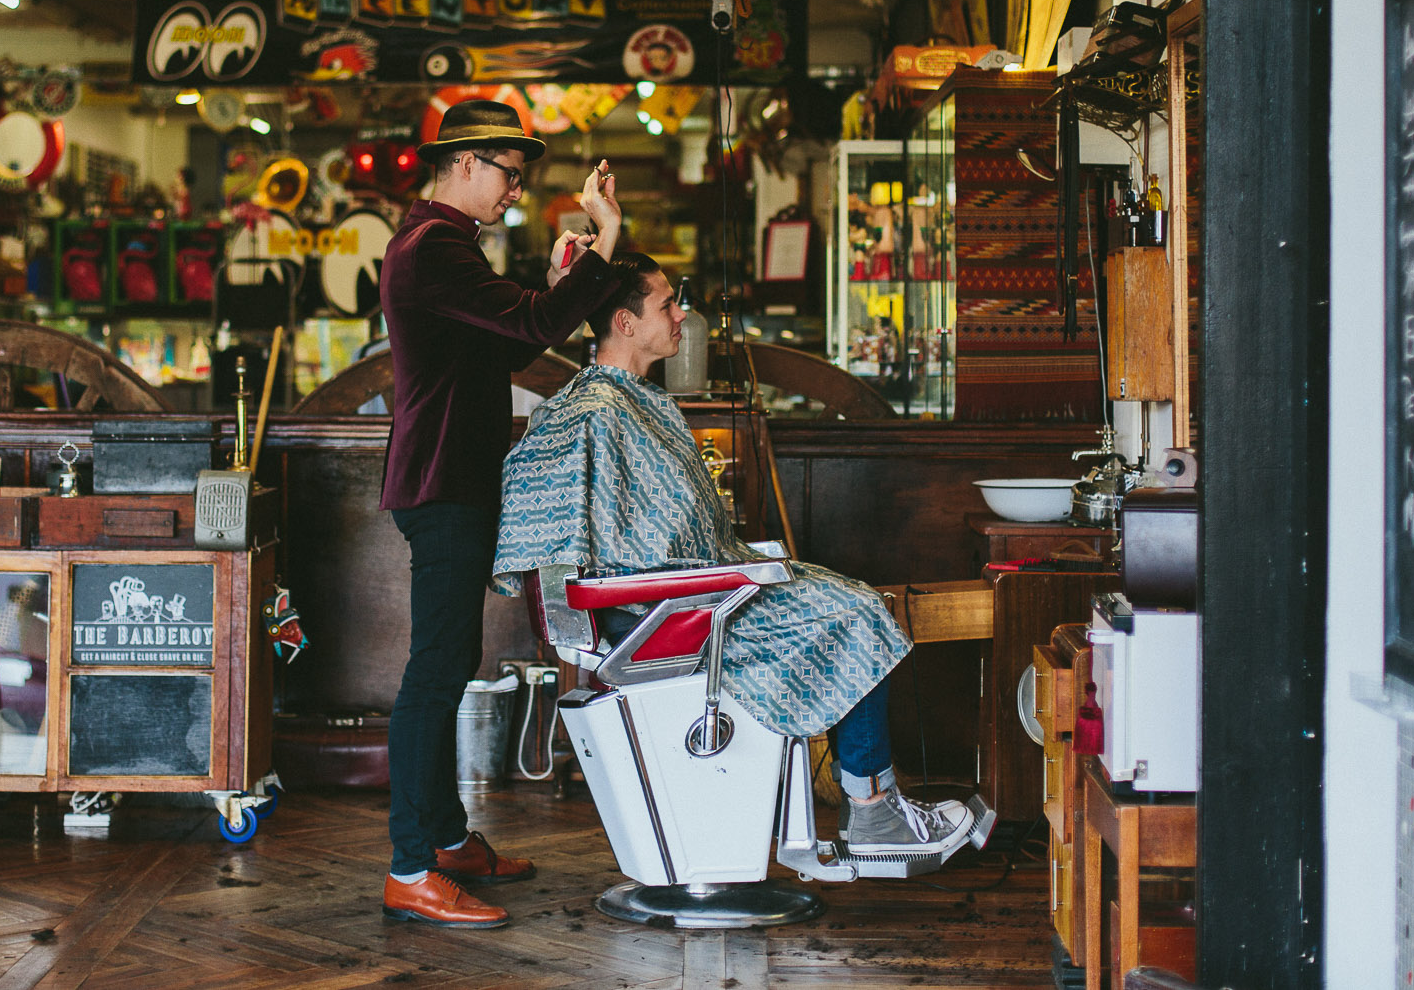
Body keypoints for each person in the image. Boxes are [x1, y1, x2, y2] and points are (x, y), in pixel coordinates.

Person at [494, 254, 991, 863]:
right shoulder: (598, 413)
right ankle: (874, 813)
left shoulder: (625, 402)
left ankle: (869, 808)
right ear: (624, 323)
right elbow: (622, 550)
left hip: (684, 593)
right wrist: (731, 570)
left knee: (853, 599)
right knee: (858, 612)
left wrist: (733, 563)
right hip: (663, 614)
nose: (682, 315)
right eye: (666, 305)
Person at [377, 98, 624, 930]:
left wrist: (556, 285)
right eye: (509, 174)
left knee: (448, 662)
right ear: (464, 162)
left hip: (452, 476)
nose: (514, 192)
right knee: (435, 671)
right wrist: (605, 244)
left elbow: (512, 343)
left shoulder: (443, 246)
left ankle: (445, 839)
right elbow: (536, 325)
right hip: (441, 479)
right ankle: (412, 865)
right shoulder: (433, 246)